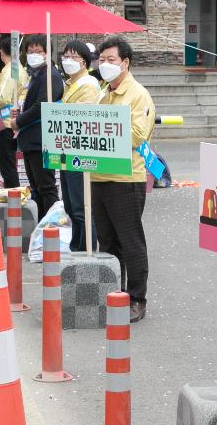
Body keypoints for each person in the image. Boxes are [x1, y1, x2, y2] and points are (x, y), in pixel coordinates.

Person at [90, 36, 154, 323]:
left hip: (126, 179)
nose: (105, 64)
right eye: (101, 60)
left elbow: (139, 135)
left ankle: (137, 298)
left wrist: (106, 128)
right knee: (107, 241)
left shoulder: (138, 94)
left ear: (125, 62)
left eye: (111, 60)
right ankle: (114, 291)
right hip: (99, 175)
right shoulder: (103, 91)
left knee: (130, 242)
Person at [13, 34, 63, 217]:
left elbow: (41, 106)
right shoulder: (36, 74)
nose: (33, 54)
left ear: (47, 53)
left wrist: (18, 121)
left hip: (42, 140)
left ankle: (52, 226)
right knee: (36, 187)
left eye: (38, 51)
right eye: (30, 51)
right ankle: (42, 226)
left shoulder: (50, 76)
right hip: (31, 140)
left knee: (46, 187)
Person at [58, 40, 101, 251]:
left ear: (84, 62)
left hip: (79, 151)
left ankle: (86, 249)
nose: (68, 61)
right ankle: (76, 246)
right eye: (65, 56)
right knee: (70, 205)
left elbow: (84, 116)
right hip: (66, 150)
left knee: (81, 207)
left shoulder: (88, 85)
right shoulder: (71, 84)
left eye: (74, 57)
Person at [0, 36, 24, 189]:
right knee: (8, 163)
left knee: (7, 165)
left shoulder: (10, 70)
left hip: (5, 122)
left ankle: (12, 197)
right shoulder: (18, 69)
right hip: (7, 121)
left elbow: (3, 97)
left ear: (1, 52)